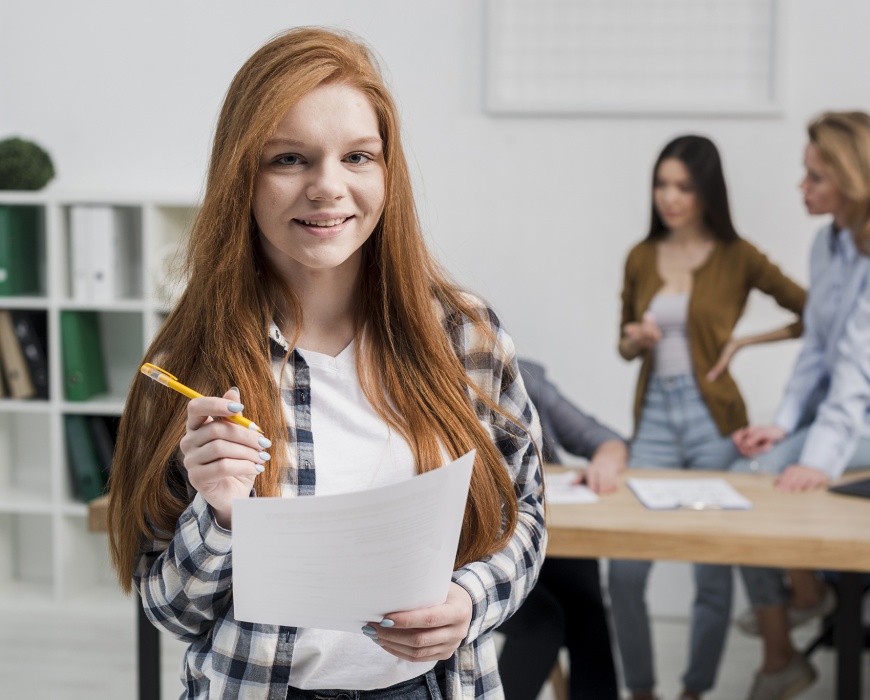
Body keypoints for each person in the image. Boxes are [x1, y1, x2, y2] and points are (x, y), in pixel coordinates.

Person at [105, 27, 545, 700]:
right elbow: (170, 609)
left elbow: (525, 521)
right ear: (241, 175)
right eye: (290, 159)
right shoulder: (185, 364)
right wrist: (219, 516)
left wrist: (468, 603)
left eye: (358, 158)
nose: (328, 188)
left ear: (387, 172)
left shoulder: (465, 334)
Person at [731, 111, 870, 700]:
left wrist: (815, 457)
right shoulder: (829, 242)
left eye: (815, 177)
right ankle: (801, 608)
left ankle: (796, 617)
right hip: (839, 418)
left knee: (759, 480)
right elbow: (818, 349)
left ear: (850, 178)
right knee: (750, 462)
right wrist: (784, 425)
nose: (803, 187)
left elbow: (859, 364)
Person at [608, 135, 807, 700]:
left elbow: (814, 311)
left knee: (712, 572)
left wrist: (744, 341)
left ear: (706, 193)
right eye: (662, 184)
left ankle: (695, 692)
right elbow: (623, 344)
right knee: (623, 571)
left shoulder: (738, 255)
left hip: (713, 420)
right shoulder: (641, 255)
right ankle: (642, 691)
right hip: (654, 417)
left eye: (684, 187)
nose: (669, 197)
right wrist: (636, 339)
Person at [497, 359, 626, 700]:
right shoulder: (435, 379)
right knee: (544, 622)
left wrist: (604, 461)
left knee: (588, 608)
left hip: (546, 535)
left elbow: (604, 440)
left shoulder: (525, 377)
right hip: (485, 549)